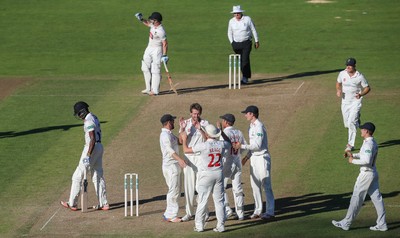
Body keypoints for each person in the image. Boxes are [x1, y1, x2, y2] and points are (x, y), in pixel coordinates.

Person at [332, 122, 388, 232]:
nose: (361, 130)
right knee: (377, 199)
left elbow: (366, 160)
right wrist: (353, 155)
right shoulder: (371, 142)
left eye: (362, 129)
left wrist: (353, 161)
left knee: (356, 198)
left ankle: (346, 223)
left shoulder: (368, 144)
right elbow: (365, 155)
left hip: (366, 175)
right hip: (372, 173)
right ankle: (382, 224)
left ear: (367, 131)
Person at [181, 124, 231, 232]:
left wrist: (184, 139)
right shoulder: (221, 144)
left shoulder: (203, 145)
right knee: (219, 201)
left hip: (206, 174)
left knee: (202, 200)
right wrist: (221, 132)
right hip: (218, 173)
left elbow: (185, 150)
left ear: (207, 134)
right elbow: (229, 143)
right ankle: (221, 225)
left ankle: (199, 226)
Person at [61, 101, 109, 211]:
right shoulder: (94, 117)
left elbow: (92, 138)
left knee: (78, 175)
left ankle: (72, 203)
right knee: (97, 175)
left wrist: (88, 155)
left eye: (78, 113)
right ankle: (104, 203)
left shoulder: (88, 121)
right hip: (99, 147)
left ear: (82, 112)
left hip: (91, 148)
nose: (78, 116)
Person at [233, 105, 275, 221]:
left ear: (252, 114)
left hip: (262, 158)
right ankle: (258, 210)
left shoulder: (259, 127)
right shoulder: (251, 126)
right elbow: (253, 147)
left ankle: (270, 212)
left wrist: (241, 146)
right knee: (255, 186)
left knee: (266, 185)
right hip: (254, 159)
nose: (245, 115)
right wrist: (247, 157)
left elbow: (257, 146)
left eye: (246, 113)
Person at [178, 103, 209, 222]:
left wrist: (199, 129)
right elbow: (181, 141)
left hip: (201, 157)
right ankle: (189, 213)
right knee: (189, 187)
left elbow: (208, 139)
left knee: (200, 187)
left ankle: (205, 212)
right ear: (190, 113)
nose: (195, 115)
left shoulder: (205, 123)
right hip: (189, 158)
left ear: (200, 113)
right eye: (194, 113)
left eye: (197, 113)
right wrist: (182, 129)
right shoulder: (185, 123)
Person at [336, 57, 370, 152]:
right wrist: (338, 90)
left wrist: (361, 94)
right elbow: (338, 83)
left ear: (354, 66)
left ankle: (350, 145)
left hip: (356, 102)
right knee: (347, 124)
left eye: (350, 66)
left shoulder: (360, 76)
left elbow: (367, 88)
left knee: (351, 122)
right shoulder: (342, 74)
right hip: (345, 102)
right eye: (347, 65)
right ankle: (357, 121)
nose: (348, 67)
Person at [159, 114, 187, 223]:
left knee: (176, 190)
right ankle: (171, 215)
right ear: (168, 122)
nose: (174, 123)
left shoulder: (169, 134)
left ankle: (168, 213)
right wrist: (180, 159)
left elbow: (180, 141)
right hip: (170, 166)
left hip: (174, 166)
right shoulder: (164, 136)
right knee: (173, 191)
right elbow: (169, 151)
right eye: (173, 121)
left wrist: (182, 128)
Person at [219, 113, 246, 220]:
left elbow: (221, 149)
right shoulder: (239, 132)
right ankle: (241, 213)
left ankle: (227, 210)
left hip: (227, 163)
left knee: (221, 187)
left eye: (223, 120)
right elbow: (244, 147)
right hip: (237, 161)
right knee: (237, 188)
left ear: (226, 122)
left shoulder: (224, 133)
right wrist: (238, 154)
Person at [134, 12, 169, 96]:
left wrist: (164, 55)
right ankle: (148, 88)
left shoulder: (161, 31)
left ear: (156, 21)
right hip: (149, 48)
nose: (150, 20)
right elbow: (147, 23)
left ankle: (155, 90)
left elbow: (165, 43)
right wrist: (141, 19)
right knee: (145, 67)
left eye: (152, 19)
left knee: (155, 69)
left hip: (157, 50)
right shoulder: (153, 25)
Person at [227, 5, 259, 84]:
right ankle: (245, 76)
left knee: (245, 60)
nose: (236, 14)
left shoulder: (247, 19)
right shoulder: (231, 21)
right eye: (235, 13)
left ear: (241, 13)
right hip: (236, 44)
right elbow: (229, 33)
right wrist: (232, 42)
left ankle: (245, 77)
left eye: (238, 13)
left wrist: (257, 41)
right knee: (240, 61)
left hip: (246, 43)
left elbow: (253, 29)